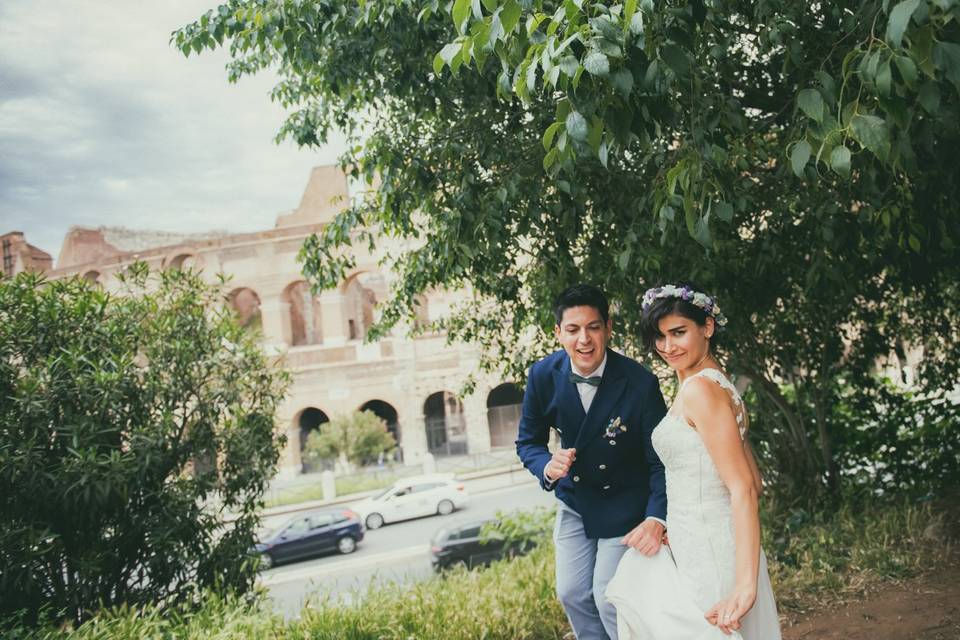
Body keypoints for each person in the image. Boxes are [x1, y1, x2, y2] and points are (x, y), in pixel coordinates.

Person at [606, 283, 781, 639]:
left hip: (712, 555)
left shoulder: (701, 390)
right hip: (696, 543)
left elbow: (745, 487)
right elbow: (755, 479)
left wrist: (745, 585)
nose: (667, 347)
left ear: (708, 327)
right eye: (659, 336)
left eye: (678, 333)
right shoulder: (718, 384)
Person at [516, 284, 669, 639]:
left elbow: (662, 460)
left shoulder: (639, 383)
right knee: (571, 594)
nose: (583, 339)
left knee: (608, 597)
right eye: (572, 330)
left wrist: (656, 516)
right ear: (558, 333)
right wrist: (546, 466)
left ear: (608, 328)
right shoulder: (542, 375)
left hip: (625, 505)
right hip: (575, 501)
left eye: (593, 327)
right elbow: (528, 442)